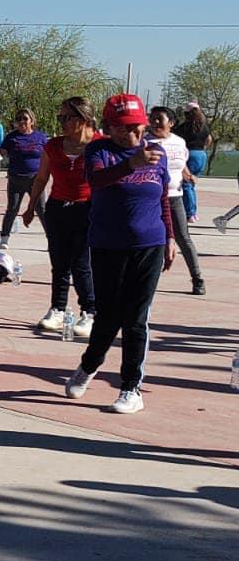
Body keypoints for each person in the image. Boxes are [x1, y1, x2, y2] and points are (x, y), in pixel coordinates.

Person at [63, 94, 174, 415]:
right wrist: (130, 164)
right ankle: (89, 365)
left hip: (149, 245)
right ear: (110, 127)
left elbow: (163, 197)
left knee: (136, 319)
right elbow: (96, 181)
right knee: (109, 316)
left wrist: (170, 236)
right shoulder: (99, 151)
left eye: (138, 127)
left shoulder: (158, 153)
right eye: (125, 128)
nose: (134, 134)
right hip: (108, 245)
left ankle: (130, 388)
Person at [22, 96, 100, 336]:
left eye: (67, 117)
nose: (62, 122)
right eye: (60, 117)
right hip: (57, 208)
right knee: (59, 262)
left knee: (81, 263)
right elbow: (41, 178)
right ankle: (57, 309)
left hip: (87, 209)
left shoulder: (100, 145)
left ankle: (90, 312)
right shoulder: (53, 146)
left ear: (83, 119)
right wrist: (31, 206)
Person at [148, 106, 203, 295]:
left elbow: (182, 164)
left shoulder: (179, 142)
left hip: (175, 197)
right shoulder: (145, 142)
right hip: (152, 199)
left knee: (183, 238)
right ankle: (146, 280)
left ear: (171, 123)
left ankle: (197, 278)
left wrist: (188, 176)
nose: (155, 122)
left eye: (159, 119)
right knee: (152, 240)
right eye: (152, 118)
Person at [0, 108, 47, 246]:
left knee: (41, 209)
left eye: (25, 118)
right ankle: (4, 237)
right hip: (16, 179)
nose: (22, 121)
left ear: (32, 121)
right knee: (12, 208)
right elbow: (2, 152)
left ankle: (52, 239)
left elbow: (49, 155)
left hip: (36, 179)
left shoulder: (40, 137)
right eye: (19, 119)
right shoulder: (11, 137)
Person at [173, 101, 211, 221]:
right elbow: (209, 139)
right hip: (201, 154)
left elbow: (174, 138)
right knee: (192, 184)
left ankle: (190, 213)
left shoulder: (185, 127)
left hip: (190, 154)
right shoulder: (204, 126)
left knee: (186, 184)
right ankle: (193, 212)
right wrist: (203, 147)